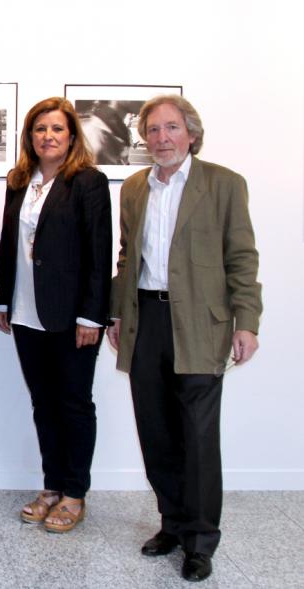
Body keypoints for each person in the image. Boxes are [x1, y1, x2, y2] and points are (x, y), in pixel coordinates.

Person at [107, 95, 261, 582]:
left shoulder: (224, 184)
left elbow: (242, 257)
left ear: (191, 133)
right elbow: (127, 256)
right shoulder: (134, 187)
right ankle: (171, 524)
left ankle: (199, 541)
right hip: (145, 321)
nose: (161, 138)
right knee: (156, 432)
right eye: (152, 130)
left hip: (200, 324)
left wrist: (247, 321)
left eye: (171, 128)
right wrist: (116, 313)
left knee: (197, 437)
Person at [0, 97, 112, 533]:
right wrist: (2, 299)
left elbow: (99, 253)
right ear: (30, 136)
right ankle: (51, 485)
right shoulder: (19, 181)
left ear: (72, 136)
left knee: (74, 404)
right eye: (40, 129)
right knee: (44, 403)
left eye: (57, 129)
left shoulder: (88, 183)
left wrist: (92, 317)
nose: (48, 136)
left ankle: (75, 493)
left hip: (71, 317)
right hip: (25, 312)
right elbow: (10, 243)